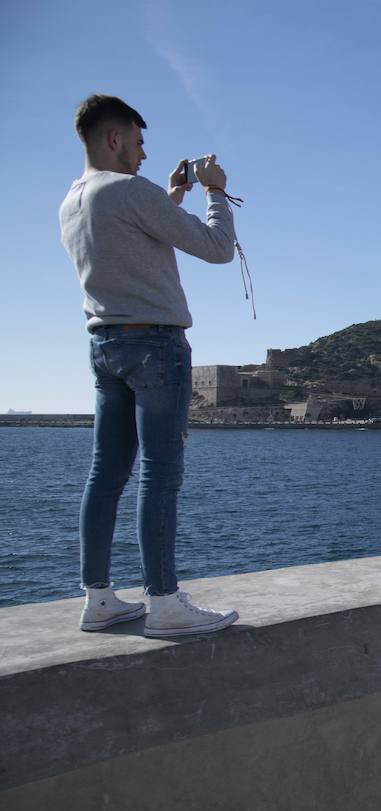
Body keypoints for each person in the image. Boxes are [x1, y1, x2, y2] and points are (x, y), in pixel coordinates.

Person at [59, 95, 239, 637]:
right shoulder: (130, 192)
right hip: (155, 345)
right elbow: (218, 248)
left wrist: (171, 196)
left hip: (104, 345)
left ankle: (98, 599)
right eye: (138, 143)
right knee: (161, 474)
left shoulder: (73, 201)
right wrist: (213, 191)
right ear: (114, 138)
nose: (143, 153)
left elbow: (131, 237)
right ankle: (164, 603)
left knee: (106, 473)